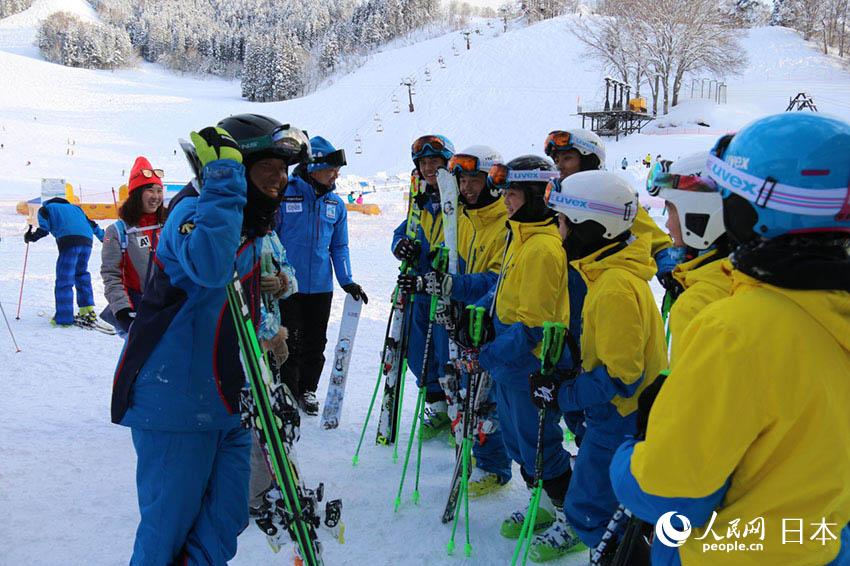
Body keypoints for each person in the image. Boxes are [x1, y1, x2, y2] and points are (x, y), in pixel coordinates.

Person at [610, 113, 850, 565]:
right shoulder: (830, 309)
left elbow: (669, 493)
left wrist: (630, 455)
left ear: (745, 211)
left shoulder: (735, 329)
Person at [111, 114, 310, 564]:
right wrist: (221, 181)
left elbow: (236, 307)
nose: (281, 180)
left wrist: (267, 338)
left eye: (285, 169)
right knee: (167, 534)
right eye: (270, 167)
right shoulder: (194, 210)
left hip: (226, 402)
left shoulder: (246, 225)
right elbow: (210, 267)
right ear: (237, 168)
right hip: (175, 402)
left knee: (225, 521)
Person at [529, 170, 667, 561]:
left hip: (619, 418)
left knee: (588, 510)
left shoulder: (614, 288)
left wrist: (563, 393)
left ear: (592, 228)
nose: (559, 232)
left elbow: (622, 375)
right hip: (620, 415)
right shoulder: (608, 277)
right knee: (606, 509)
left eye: (563, 223)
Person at [453, 155, 573, 550]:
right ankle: (541, 501)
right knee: (521, 444)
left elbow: (533, 325)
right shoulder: (517, 235)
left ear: (538, 197)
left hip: (529, 364)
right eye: (504, 192)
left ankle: (570, 517)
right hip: (508, 362)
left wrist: (484, 356)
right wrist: (482, 311)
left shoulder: (542, 248)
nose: (505, 200)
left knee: (540, 444)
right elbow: (503, 287)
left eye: (514, 194)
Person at [415, 145, 513, 495]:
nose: (468, 186)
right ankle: (469, 449)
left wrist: (458, 286)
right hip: (461, 316)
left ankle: (494, 466)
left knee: (485, 396)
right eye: (462, 179)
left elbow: (498, 280)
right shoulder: (462, 217)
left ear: (491, 181)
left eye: (475, 178)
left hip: (490, 320)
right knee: (460, 387)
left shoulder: (504, 221)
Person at [276, 135, 366, 415]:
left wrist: (346, 280)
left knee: (316, 342)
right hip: (287, 285)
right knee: (288, 341)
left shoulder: (335, 205)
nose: (336, 175)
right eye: (331, 169)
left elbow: (340, 246)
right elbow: (271, 239)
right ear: (313, 167)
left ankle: (307, 390)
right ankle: (287, 392)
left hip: (320, 287)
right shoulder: (284, 193)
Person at [544, 129, 677, 294]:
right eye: (556, 160)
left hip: (605, 290)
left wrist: (668, 269)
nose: (559, 166)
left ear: (588, 160)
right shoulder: (559, 197)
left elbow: (656, 240)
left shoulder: (610, 198)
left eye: (567, 158)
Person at [646, 151, 732, 366]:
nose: (667, 225)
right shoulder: (741, 278)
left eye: (671, 210)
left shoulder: (695, 304)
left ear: (698, 215)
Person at [394, 134, 454, 437]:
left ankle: (456, 407)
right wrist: (401, 245)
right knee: (418, 352)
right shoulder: (419, 196)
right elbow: (404, 229)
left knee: (446, 352)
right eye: (424, 162)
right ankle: (437, 406)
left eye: (436, 162)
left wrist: (432, 256)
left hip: (444, 289)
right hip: (417, 288)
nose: (430, 167)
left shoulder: (457, 197)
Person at [100, 156, 166, 336]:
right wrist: (122, 310)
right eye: (150, 190)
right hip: (137, 308)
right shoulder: (118, 231)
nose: (156, 197)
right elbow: (111, 274)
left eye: (159, 190)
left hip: (169, 307)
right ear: (137, 194)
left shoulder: (168, 225)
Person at [24, 195, 105, 327]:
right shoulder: (76, 209)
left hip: (68, 242)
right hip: (87, 242)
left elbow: (44, 229)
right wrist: (104, 238)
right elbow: (93, 225)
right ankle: (87, 310)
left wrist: (31, 237)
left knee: (64, 279)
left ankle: (64, 318)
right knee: (81, 274)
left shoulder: (45, 209)